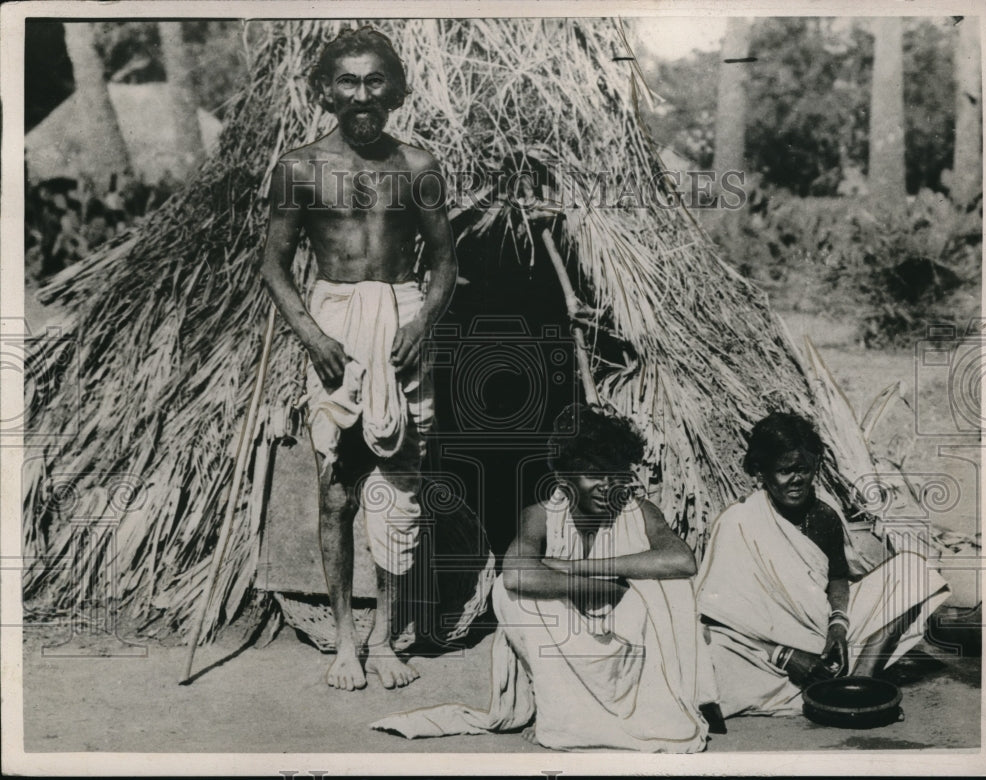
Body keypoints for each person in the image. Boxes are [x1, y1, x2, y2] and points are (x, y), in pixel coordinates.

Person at [257, 27, 458, 691]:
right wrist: (313, 336)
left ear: (395, 91)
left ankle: (388, 637)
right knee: (337, 486)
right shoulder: (300, 166)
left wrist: (422, 321)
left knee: (399, 489)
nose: (363, 95)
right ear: (326, 91)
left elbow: (445, 263)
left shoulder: (418, 166)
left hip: (401, 318)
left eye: (376, 81)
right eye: (349, 81)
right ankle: (346, 641)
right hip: (334, 318)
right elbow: (276, 265)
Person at [372, 405, 716, 752]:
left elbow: (682, 560)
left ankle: (616, 715)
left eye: (614, 474)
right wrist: (605, 588)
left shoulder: (638, 511)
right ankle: (563, 716)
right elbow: (517, 574)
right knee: (510, 597)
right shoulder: (540, 516)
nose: (606, 486)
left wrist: (578, 567)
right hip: (568, 642)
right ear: (564, 479)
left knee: (672, 585)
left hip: (629, 652)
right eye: (593, 475)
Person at [695, 411, 950, 718]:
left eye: (803, 469)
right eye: (785, 470)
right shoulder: (737, 522)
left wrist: (839, 628)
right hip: (764, 649)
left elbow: (839, 579)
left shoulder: (824, 516)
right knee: (708, 650)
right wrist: (783, 654)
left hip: (827, 635)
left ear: (815, 465)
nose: (797, 479)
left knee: (912, 571)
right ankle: (822, 683)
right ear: (761, 472)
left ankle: (861, 678)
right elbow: (715, 617)